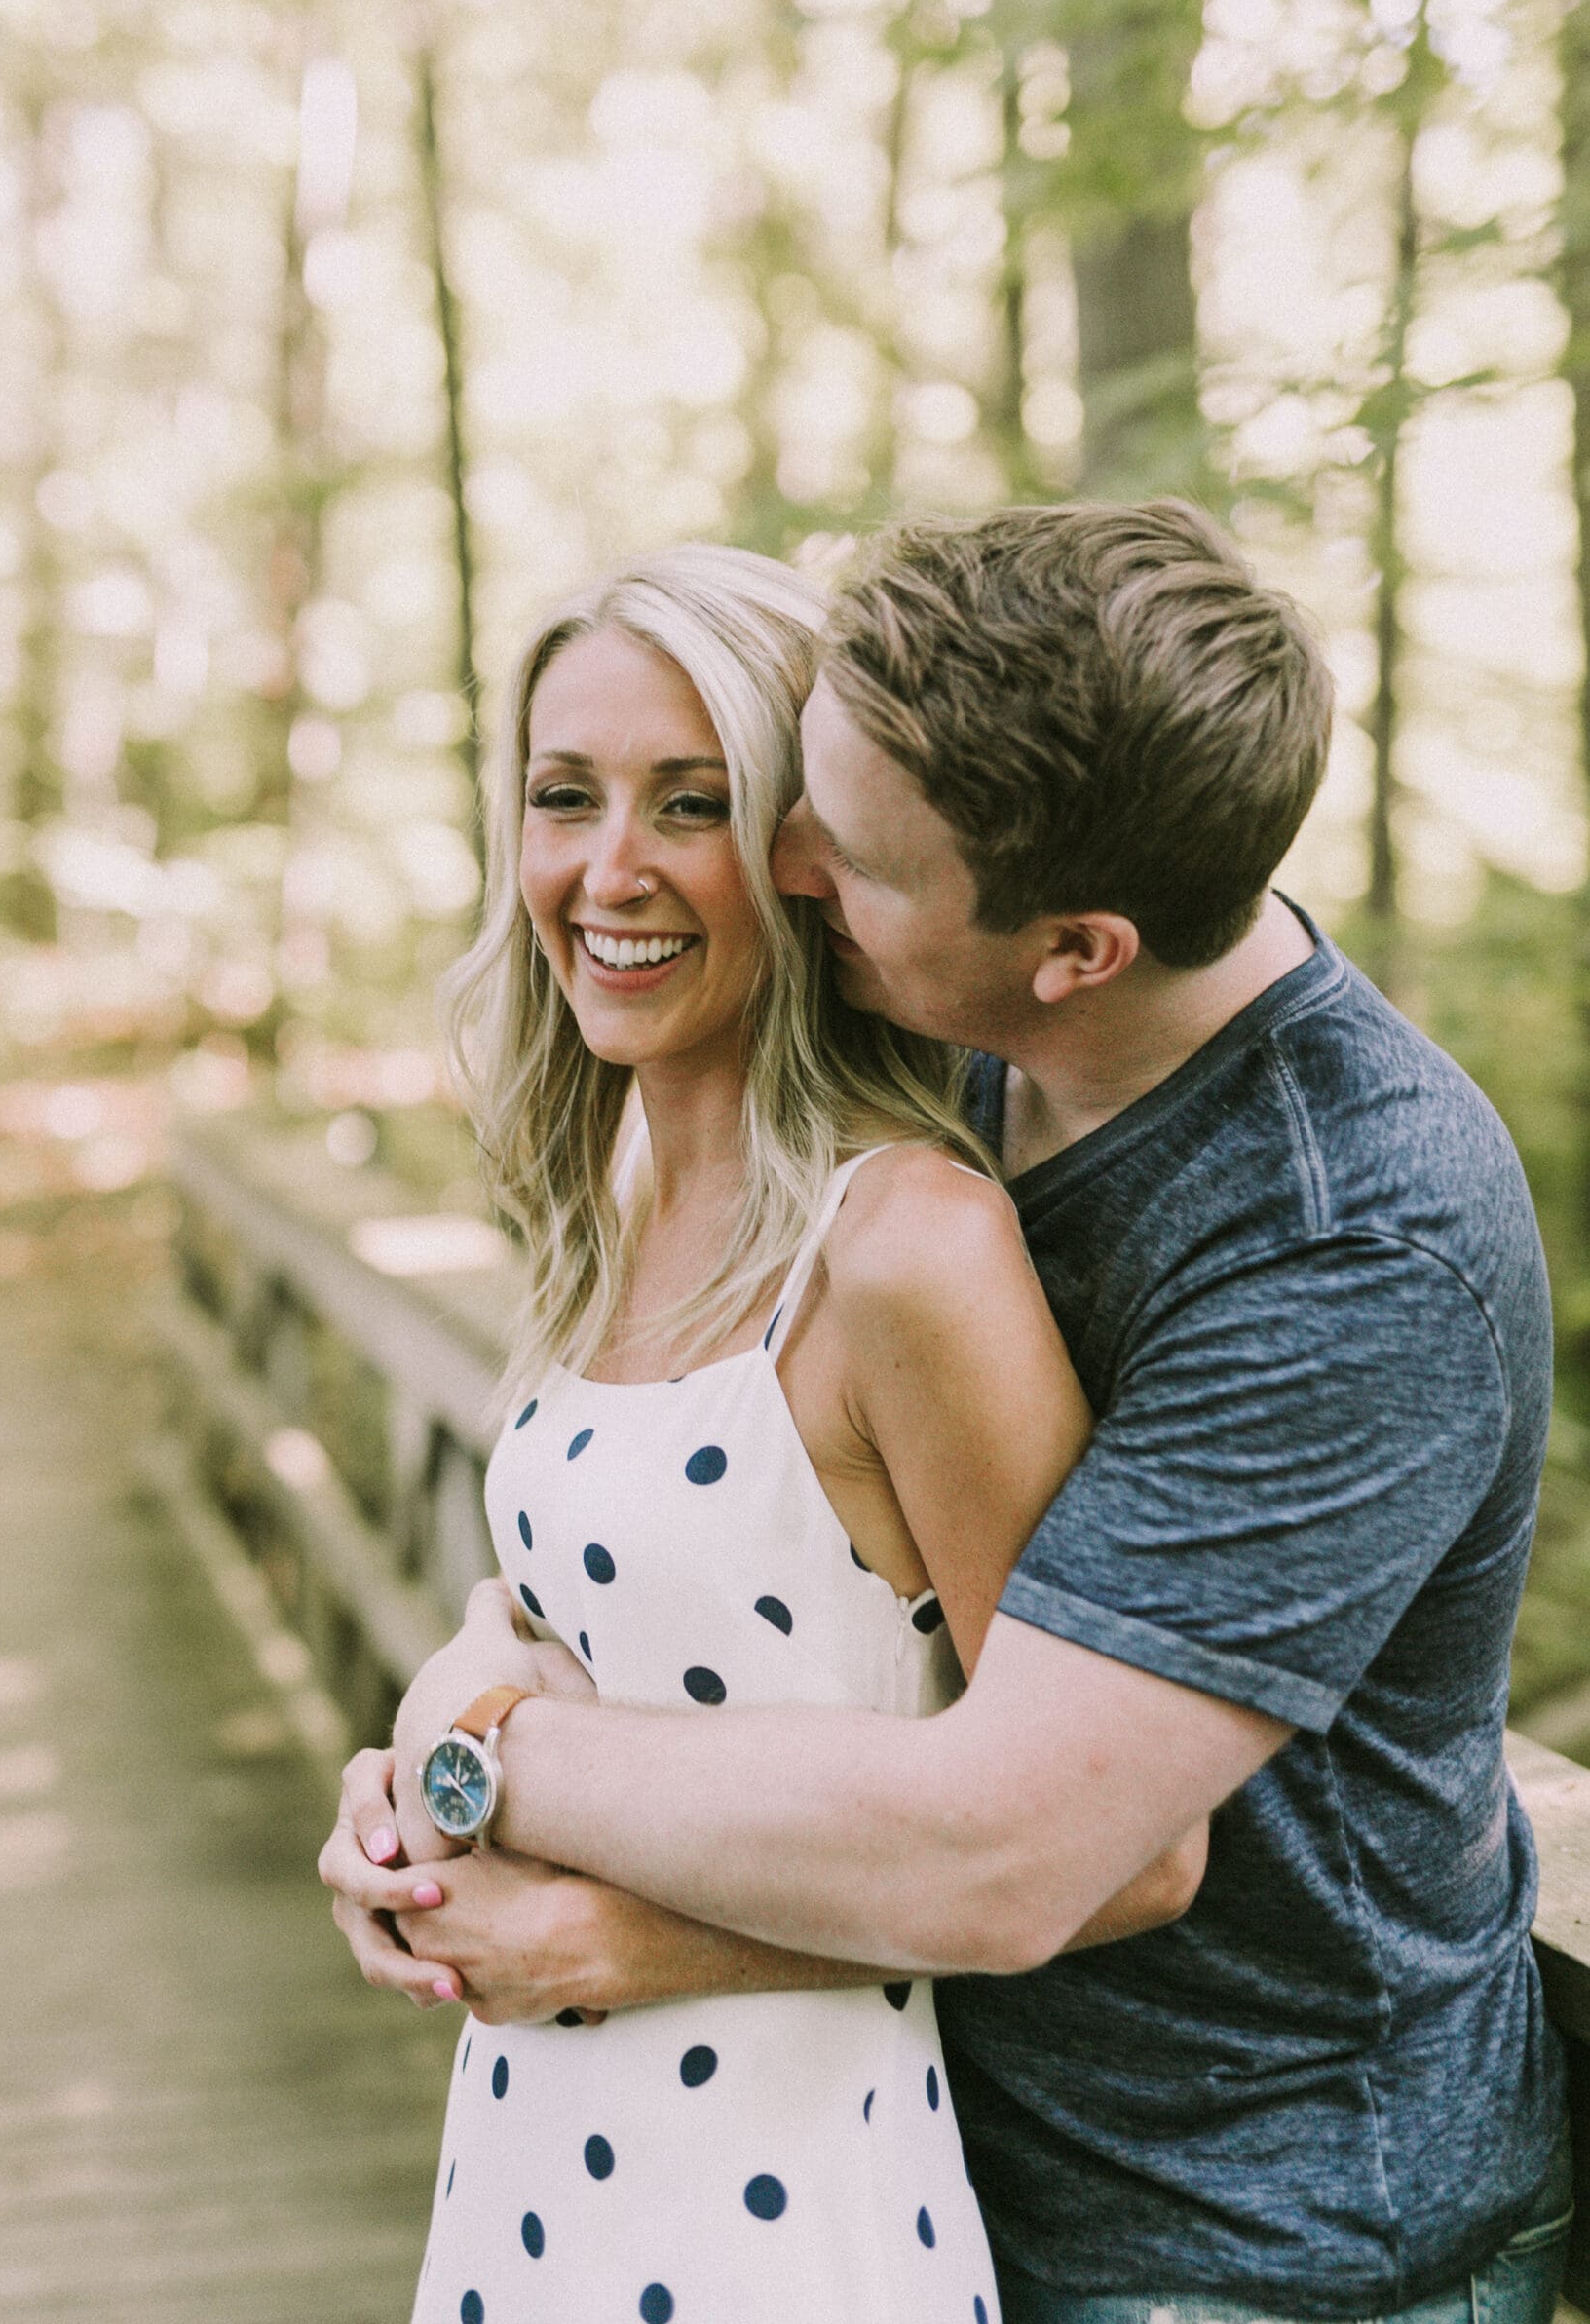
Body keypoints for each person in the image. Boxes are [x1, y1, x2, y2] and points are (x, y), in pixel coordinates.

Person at [323, 501, 1570, 2324]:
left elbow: (1031, 1850)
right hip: (914, 2153)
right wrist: (446, 1778)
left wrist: (494, 1767)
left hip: (1247, 2237)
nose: (793, 861)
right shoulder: (937, 1038)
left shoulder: (1350, 1241)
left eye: (839, 842)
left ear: (1073, 947)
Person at [325, 540, 1206, 2324]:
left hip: (790, 2211)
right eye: (562, 797)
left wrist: (626, 1927)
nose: (608, 869)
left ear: (807, 855)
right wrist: (408, 1809)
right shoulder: (610, 1183)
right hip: (525, 2170)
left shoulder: (908, 1255)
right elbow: (578, 1640)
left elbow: (1119, 1847)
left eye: (693, 802)